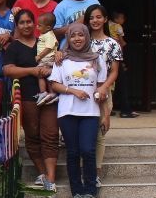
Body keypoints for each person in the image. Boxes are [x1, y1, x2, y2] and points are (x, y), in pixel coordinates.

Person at [3, 9, 58, 193]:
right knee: (33, 137)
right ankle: (42, 173)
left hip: (49, 97)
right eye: (22, 22)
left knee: (50, 135)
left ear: (35, 24)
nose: (26, 25)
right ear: (16, 25)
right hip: (27, 98)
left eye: (29, 22)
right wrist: (32, 71)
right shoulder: (14, 47)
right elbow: (8, 70)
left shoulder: (45, 41)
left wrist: (53, 67)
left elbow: (57, 61)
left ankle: (51, 178)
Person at [49, 24, 106, 198]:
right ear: (68, 38)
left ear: (87, 37)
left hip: (91, 112)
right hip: (67, 112)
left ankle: (90, 190)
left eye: (81, 35)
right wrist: (73, 91)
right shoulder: (61, 59)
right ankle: (77, 191)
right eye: (73, 36)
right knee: (73, 152)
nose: (77, 39)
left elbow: (101, 87)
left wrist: (106, 115)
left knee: (88, 150)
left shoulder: (97, 59)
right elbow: (54, 84)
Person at [84, 4, 124, 186]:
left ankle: (96, 173)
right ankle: (82, 171)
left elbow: (114, 71)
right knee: (82, 133)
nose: (95, 20)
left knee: (100, 132)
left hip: (103, 91)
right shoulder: (81, 40)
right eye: (91, 17)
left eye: (99, 17)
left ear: (105, 19)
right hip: (81, 92)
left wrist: (104, 88)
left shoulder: (112, 43)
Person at [108, 11, 137, 118]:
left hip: (108, 56)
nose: (123, 21)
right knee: (122, 83)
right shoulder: (118, 27)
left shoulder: (108, 24)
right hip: (117, 56)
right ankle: (125, 110)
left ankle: (109, 108)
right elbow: (122, 42)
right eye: (122, 18)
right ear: (118, 19)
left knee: (109, 83)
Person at [34, 13, 59, 105]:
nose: (37, 27)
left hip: (47, 59)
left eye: (39, 26)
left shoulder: (49, 35)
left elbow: (49, 47)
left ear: (48, 27)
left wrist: (39, 56)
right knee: (48, 76)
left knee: (40, 74)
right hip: (47, 59)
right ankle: (52, 93)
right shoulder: (46, 34)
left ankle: (43, 92)